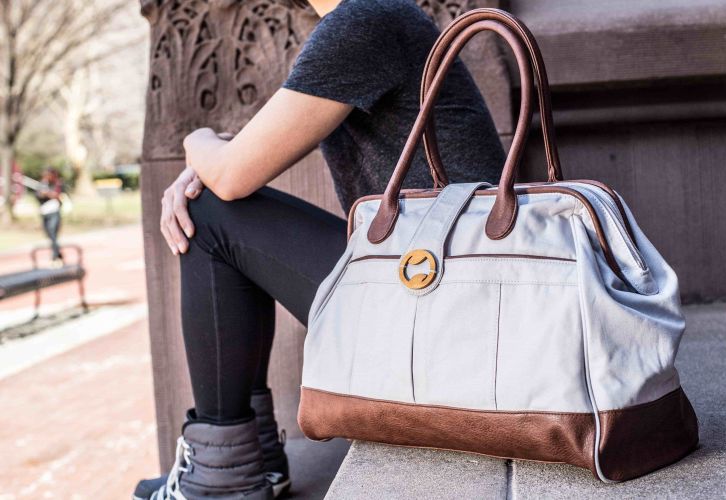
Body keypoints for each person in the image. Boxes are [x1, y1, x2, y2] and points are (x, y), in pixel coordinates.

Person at [134, 0, 506, 498]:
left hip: (438, 313)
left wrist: (195, 141)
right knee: (217, 204)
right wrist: (212, 162)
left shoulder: (364, 20)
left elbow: (229, 174)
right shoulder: (378, 17)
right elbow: (243, 155)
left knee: (207, 214)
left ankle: (222, 478)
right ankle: (247, 460)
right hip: (447, 296)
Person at [36, 167, 64, 265]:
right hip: (44, 212)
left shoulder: (57, 184)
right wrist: (43, 194)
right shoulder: (42, 184)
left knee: (53, 232)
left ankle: (55, 256)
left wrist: (53, 195)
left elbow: (61, 197)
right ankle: (58, 254)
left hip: (54, 211)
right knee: (49, 234)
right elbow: (38, 196)